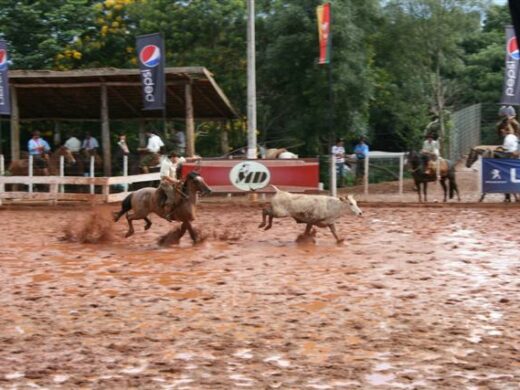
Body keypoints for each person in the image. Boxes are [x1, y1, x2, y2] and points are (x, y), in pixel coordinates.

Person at [159, 151, 186, 219]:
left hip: (174, 182)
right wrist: (176, 181)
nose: (176, 161)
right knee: (172, 196)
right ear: (172, 158)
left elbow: (185, 159)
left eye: (177, 159)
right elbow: (166, 177)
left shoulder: (178, 159)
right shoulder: (166, 164)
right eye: (175, 159)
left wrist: (196, 158)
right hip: (166, 183)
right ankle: (166, 213)